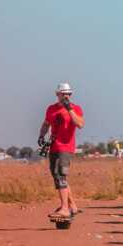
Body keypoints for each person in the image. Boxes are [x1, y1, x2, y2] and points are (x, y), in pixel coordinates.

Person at [38, 83, 84, 218]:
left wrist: (69, 109)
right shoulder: (51, 109)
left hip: (66, 147)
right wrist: (41, 135)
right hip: (53, 146)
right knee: (58, 176)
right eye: (63, 93)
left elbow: (80, 124)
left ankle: (64, 208)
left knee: (61, 176)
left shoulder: (76, 108)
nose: (66, 96)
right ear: (57, 94)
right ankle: (72, 206)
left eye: (68, 94)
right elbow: (46, 124)